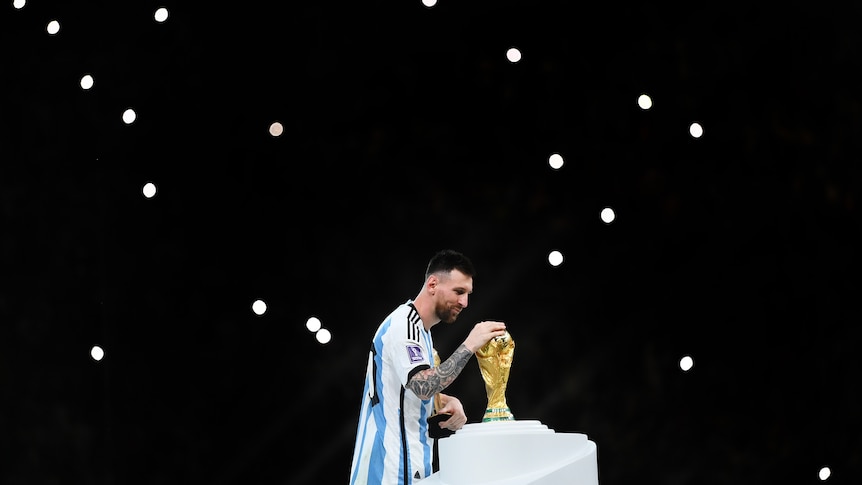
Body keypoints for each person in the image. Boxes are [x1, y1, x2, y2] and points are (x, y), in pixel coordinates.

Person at [349, 249, 507, 485]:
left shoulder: (421, 332)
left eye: (468, 294)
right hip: (388, 470)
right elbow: (423, 386)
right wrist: (470, 344)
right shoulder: (404, 325)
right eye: (459, 292)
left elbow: (401, 390)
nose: (465, 302)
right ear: (433, 284)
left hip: (408, 466)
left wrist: (444, 401)